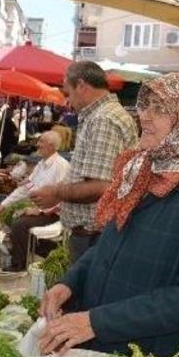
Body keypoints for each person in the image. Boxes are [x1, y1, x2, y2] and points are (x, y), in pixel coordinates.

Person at [38, 72, 179, 357]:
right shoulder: (143, 168)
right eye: (145, 105)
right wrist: (70, 283)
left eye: (161, 109)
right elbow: (109, 244)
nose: (145, 117)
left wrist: (96, 322)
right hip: (111, 349)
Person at [30, 61, 138, 263]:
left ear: (81, 85)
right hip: (95, 234)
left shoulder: (102, 119)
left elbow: (100, 187)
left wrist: (55, 192)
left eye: (68, 92)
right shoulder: (102, 116)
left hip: (94, 236)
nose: (67, 100)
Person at [0, 131, 70, 271]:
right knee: (8, 216)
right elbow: (25, 188)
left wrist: (38, 210)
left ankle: (19, 264)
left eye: (41, 142)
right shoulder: (41, 164)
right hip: (38, 209)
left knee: (19, 224)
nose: (38, 145)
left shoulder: (61, 166)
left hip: (53, 213)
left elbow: (62, 197)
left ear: (51, 146)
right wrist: (3, 205)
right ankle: (27, 250)